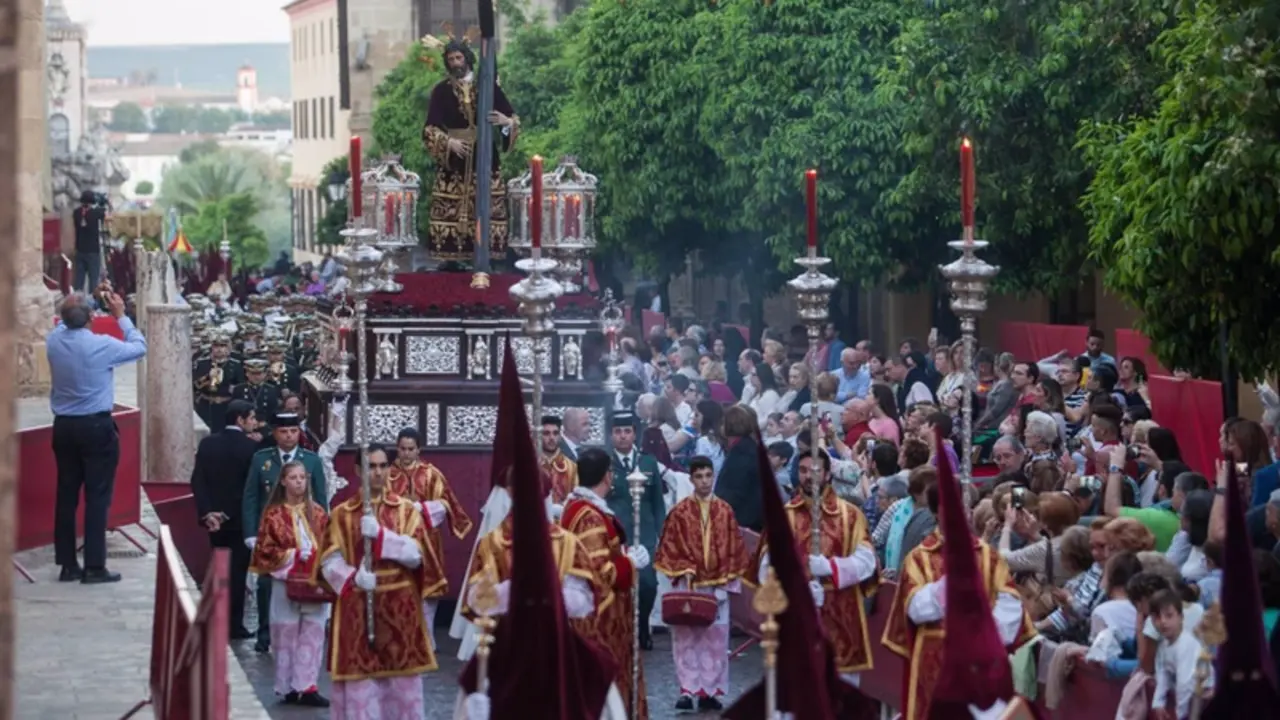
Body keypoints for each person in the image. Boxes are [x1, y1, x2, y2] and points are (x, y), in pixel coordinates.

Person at [883, 434, 1036, 720]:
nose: (957, 513)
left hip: (983, 660)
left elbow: (1011, 603)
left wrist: (984, 635)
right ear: (936, 512)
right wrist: (950, 585)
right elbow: (915, 608)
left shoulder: (987, 556)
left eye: (962, 506)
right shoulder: (920, 557)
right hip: (935, 656)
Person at [318, 444, 441, 717]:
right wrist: (353, 578)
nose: (378, 472)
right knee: (361, 683)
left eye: (383, 466)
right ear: (359, 470)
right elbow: (328, 562)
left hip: (399, 606)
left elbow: (418, 555)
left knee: (403, 683)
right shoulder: (342, 514)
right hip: (357, 605)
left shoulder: (407, 511)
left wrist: (383, 537)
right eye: (371, 467)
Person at [755, 450, 880, 686]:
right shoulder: (784, 517)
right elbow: (766, 570)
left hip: (842, 616)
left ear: (827, 474)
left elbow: (867, 563)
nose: (808, 477)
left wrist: (832, 567)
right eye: (803, 471)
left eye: (815, 470)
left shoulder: (851, 516)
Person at [48, 291, 148, 584]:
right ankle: (94, 565)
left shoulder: (54, 341)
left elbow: (63, 322)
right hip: (95, 427)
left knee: (66, 495)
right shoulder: (102, 345)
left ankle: (67, 563)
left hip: (64, 426)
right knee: (97, 497)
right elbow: (139, 347)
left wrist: (79, 306)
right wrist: (120, 315)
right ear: (93, 318)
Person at [560, 447, 653, 717]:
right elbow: (601, 573)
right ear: (607, 477)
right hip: (600, 619)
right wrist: (631, 563)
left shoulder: (580, 507)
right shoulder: (589, 516)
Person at [653, 455, 750, 712]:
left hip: (717, 586)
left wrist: (725, 585)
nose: (705, 481)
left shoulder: (725, 511)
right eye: (699, 476)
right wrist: (682, 571)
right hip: (688, 585)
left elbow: (734, 548)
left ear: (713, 476)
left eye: (708, 476)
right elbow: (669, 545)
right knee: (685, 638)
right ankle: (687, 690)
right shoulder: (680, 511)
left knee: (715, 640)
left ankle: (709, 691)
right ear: (692, 477)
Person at [422, 33, 519, 264]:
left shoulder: (487, 86)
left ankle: (488, 260)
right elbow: (429, 129)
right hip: (454, 160)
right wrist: (449, 142)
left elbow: (513, 117)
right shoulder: (441, 91)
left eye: (458, 58)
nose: (456, 63)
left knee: (487, 205)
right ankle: (452, 260)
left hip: (485, 156)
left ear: (467, 58)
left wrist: (506, 123)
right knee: (451, 207)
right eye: (451, 59)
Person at [242, 413, 328, 652]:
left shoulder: (311, 461)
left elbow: (320, 499)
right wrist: (251, 532)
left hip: (304, 534)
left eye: (293, 431)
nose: (289, 436)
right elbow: (251, 497)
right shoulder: (262, 460)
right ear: (275, 433)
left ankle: (302, 630)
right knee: (267, 584)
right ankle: (264, 633)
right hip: (272, 534)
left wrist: (322, 533)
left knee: (305, 582)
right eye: (284, 431)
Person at [249, 461, 331, 707]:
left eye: (302, 477)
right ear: (283, 481)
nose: (298, 482)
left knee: (313, 633)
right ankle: (286, 686)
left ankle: (307, 685)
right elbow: (264, 551)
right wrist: (294, 556)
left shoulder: (318, 513)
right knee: (285, 634)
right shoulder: (273, 515)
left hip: (314, 582)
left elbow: (330, 545)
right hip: (285, 584)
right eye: (293, 477)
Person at [387, 427, 472, 647]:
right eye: (402, 449)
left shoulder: (431, 473)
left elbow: (445, 504)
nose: (406, 454)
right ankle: (400, 640)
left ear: (419, 450)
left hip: (427, 542)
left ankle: (426, 640)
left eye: (410, 449)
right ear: (397, 448)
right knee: (397, 589)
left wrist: (420, 508)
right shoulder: (387, 473)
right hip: (396, 540)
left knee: (427, 590)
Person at [190, 400, 260, 638]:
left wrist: (208, 512)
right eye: (251, 418)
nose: (254, 422)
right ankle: (233, 624)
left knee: (219, 570)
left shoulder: (208, 444)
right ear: (240, 420)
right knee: (238, 574)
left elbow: (198, 481)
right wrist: (231, 512)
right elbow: (249, 490)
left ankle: (216, 618)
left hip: (214, 521)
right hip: (239, 521)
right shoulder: (250, 449)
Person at [605, 409, 667, 650]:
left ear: (634, 434)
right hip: (619, 536)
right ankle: (623, 630)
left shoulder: (648, 462)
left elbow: (657, 503)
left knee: (649, 585)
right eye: (618, 432)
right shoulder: (606, 464)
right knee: (620, 584)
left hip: (647, 535)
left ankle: (642, 625)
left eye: (627, 431)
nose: (622, 436)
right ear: (611, 435)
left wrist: (662, 534)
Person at [539, 415, 580, 504]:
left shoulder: (572, 468)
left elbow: (576, 500)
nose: (551, 438)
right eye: (546, 433)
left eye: (555, 433)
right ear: (539, 436)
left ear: (560, 436)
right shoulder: (529, 467)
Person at [72, 190, 105, 293]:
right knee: (94, 281)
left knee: (78, 281)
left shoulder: (76, 213)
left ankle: (77, 302)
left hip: (80, 249)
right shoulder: (96, 213)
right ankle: (93, 303)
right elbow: (105, 212)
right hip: (93, 251)